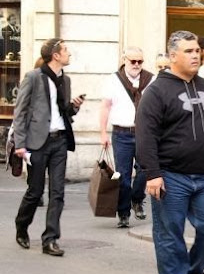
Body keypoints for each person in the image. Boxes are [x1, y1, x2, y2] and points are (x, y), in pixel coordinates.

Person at [136, 30, 204, 274]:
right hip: (170, 176)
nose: (195, 55)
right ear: (172, 56)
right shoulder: (156, 91)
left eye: (197, 50)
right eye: (188, 51)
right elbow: (146, 136)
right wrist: (152, 173)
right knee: (170, 234)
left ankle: (194, 273)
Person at [13, 38, 85, 257]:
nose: (69, 53)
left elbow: (63, 111)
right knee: (35, 192)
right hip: (37, 142)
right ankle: (22, 226)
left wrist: (74, 107)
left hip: (60, 140)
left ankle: (50, 239)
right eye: (65, 50)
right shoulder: (34, 77)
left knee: (57, 192)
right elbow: (20, 111)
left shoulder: (66, 80)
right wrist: (20, 144)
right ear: (55, 55)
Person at [99, 46, 154, 228]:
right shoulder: (113, 80)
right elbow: (105, 106)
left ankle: (137, 199)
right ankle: (123, 213)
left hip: (144, 133)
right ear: (124, 60)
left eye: (140, 61)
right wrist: (103, 133)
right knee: (122, 176)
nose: (137, 64)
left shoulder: (150, 79)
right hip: (121, 133)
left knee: (144, 170)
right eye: (133, 61)